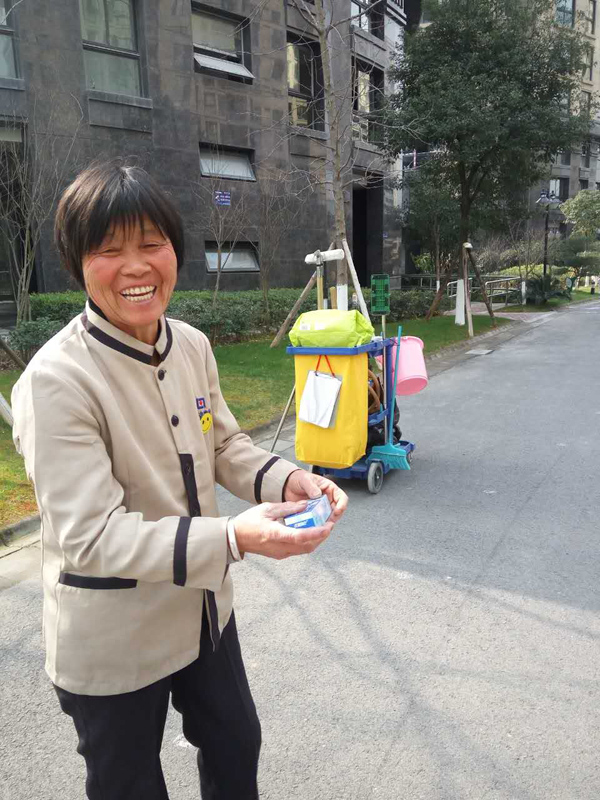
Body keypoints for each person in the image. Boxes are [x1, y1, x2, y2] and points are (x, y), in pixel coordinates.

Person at [11, 161, 348, 800]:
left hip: (201, 609)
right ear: (77, 263)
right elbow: (93, 537)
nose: (135, 266)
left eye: (151, 244)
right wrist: (235, 538)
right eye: (109, 250)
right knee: (130, 785)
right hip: (113, 636)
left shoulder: (190, 344)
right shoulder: (56, 382)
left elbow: (223, 444)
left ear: (175, 250)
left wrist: (289, 481)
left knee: (235, 745)